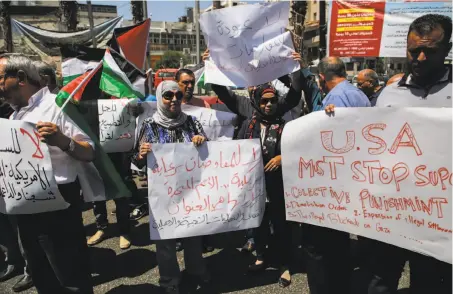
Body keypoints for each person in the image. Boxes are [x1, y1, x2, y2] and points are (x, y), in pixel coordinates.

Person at [367, 14, 452, 294]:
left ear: (448, 48)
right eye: (415, 51)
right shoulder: (388, 94)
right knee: (380, 281)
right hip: (390, 212)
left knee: (429, 283)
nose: (422, 57)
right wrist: (333, 119)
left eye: (431, 50)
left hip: (440, 216)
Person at [205, 49, 303, 287]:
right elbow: (223, 93)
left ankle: (284, 264)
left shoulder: (284, 123)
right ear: (256, 102)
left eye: (272, 101)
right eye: (264, 101)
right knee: (257, 222)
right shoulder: (248, 120)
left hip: (279, 185)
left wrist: (297, 68)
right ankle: (260, 257)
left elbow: (295, 93)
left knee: (281, 225)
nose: (269, 105)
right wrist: (211, 64)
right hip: (253, 186)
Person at [0, 54, 94, 293]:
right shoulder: (14, 116)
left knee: (70, 276)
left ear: (20, 77)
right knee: (42, 276)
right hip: (24, 207)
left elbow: (89, 152)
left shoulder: (58, 105)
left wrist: (62, 140)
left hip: (58, 205)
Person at [132, 81, 209, 294]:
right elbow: (135, 161)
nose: (174, 99)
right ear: (159, 97)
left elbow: (210, 155)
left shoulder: (192, 122)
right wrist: (141, 154)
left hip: (190, 191)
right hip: (162, 194)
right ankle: (169, 279)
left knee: (193, 233)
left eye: (178, 94)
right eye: (168, 95)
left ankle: (196, 270)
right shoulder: (148, 125)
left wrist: (202, 141)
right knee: (165, 241)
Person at [308, 56, 371, 294]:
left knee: (329, 241)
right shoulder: (359, 94)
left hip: (338, 175)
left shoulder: (333, 98)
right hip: (358, 169)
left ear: (322, 78)